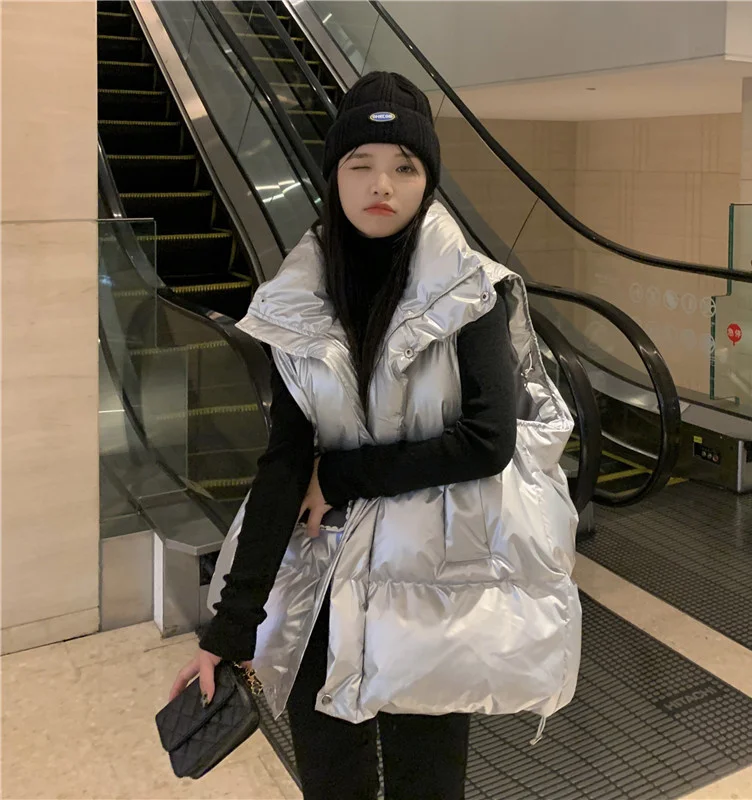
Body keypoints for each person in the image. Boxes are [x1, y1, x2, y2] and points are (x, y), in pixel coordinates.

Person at [170, 71, 581, 800]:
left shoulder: (472, 293)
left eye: (404, 166)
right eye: (360, 164)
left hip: (434, 593)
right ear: (334, 176)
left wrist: (341, 475)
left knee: (429, 785)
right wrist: (228, 630)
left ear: (428, 182)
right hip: (322, 590)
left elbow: (488, 440)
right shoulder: (298, 302)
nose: (381, 185)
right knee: (333, 785)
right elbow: (284, 464)